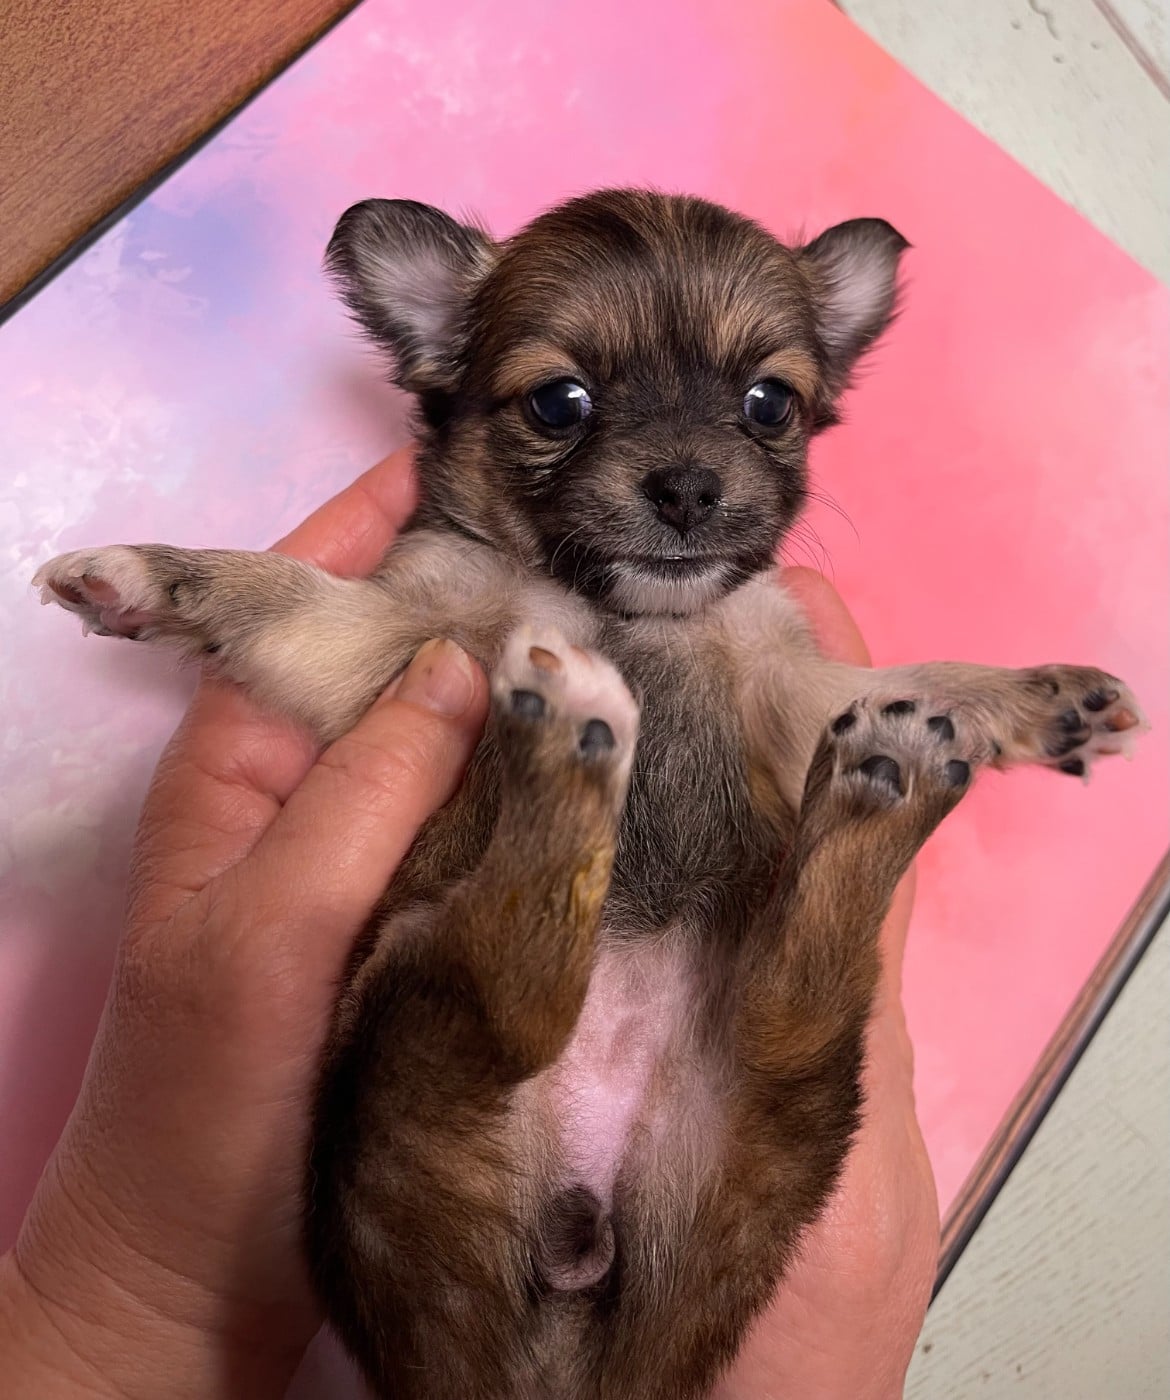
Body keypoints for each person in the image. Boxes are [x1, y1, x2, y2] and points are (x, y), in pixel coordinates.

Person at [0, 449, 938, 1399]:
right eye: (558, 406)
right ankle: (822, 876)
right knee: (782, 1069)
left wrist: (140, 1296)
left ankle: (563, 847)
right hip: (665, 1291)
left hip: (443, 1294)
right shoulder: (498, 567)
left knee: (419, 1067)